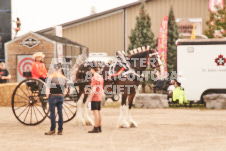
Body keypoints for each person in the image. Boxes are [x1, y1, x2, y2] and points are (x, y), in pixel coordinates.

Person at [45, 63, 68, 135]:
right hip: (60, 96)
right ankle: (60, 130)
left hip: (53, 96)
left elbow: (47, 88)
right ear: (60, 69)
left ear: (54, 69)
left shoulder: (51, 77)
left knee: (52, 113)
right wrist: (63, 95)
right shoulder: (63, 77)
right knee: (60, 113)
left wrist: (47, 96)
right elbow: (66, 88)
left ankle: (52, 129)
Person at [88, 63, 104, 133]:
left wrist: (90, 98)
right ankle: (99, 126)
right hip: (99, 95)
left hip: (95, 96)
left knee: (95, 112)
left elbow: (93, 89)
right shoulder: (100, 77)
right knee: (99, 111)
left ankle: (96, 126)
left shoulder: (94, 78)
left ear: (92, 69)